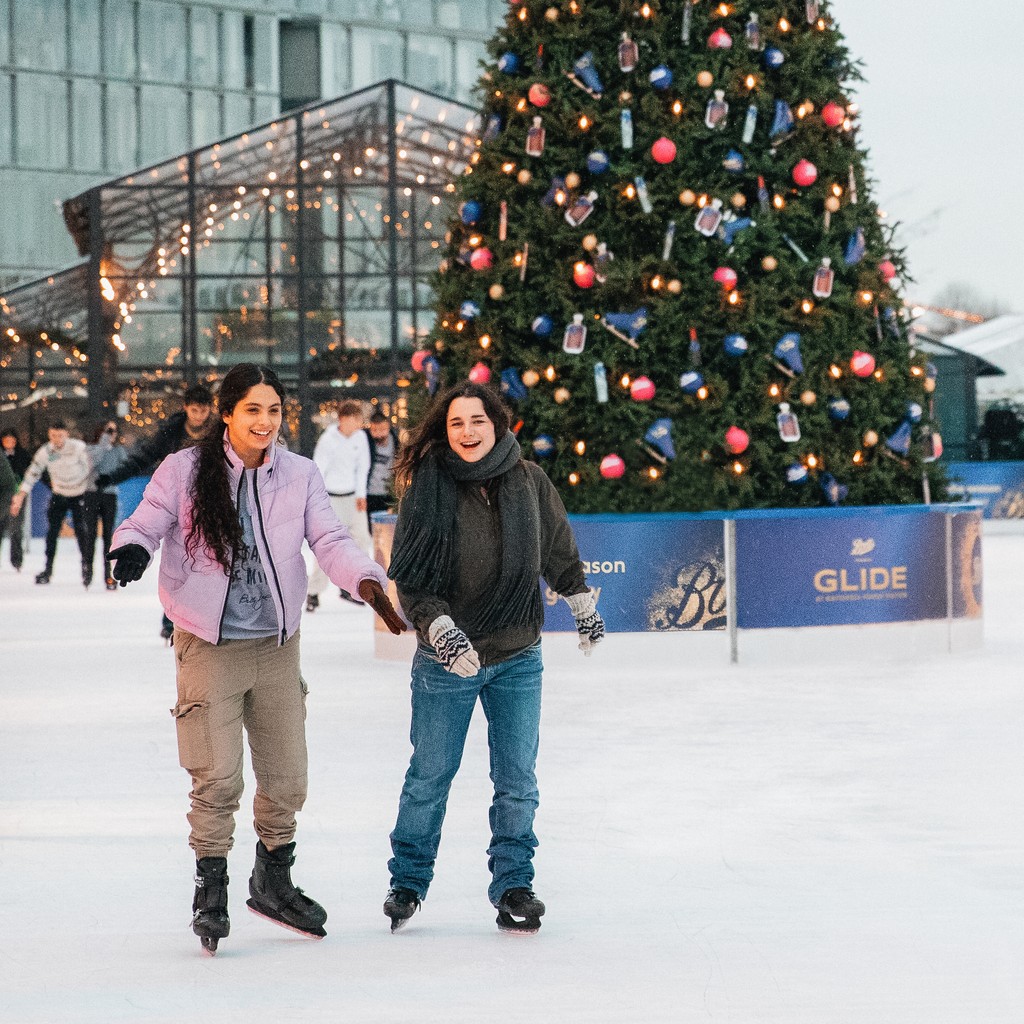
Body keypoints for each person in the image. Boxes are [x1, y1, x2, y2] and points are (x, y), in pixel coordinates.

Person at [107, 363, 405, 955]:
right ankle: (211, 889)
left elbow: (329, 540)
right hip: (208, 643)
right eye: (253, 410)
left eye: (274, 410)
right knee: (215, 775)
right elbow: (148, 517)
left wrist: (366, 582)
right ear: (227, 412)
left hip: (275, 644)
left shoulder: (298, 474)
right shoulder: (187, 469)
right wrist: (134, 547)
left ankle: (273, 878)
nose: (265, 422)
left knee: (288, 777)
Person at [382, 381, 605, 934]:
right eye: (456, 423)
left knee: (517, 778)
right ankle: (407, 881)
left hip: (517, 654)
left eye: (476, 421)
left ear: (497, 424)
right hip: (446, 660)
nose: (467, 432)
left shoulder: (528, 480)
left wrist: (577, 596)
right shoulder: (428, 488)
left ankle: (513, 885)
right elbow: (411, 577)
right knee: (430, 774)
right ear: (445, 429)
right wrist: (441, 631)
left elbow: (556, 545)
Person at [97, 383, 213, 636]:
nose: (199, 416)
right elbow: (143, 458)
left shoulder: (219, 431)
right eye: (195, 410)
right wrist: (112, 477)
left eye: (204, 410)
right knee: (180, 559)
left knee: (206, 560)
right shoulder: (171, 432)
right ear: (186, 408)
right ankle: (171, 619)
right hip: (177, 500)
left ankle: (205, 615)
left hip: (212, 499)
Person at [306, 399, 373, 610]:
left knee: (360, 543)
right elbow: (319, 470)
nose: (359, 424)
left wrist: (361, 495)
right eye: (356, 419)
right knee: (328, 546)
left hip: (353, 498)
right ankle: (313, 591)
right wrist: (318, 500)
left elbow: (363, 467)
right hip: (331, 498)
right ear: (344, 419)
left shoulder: (361, 437)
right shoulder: (328, 440)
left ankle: (352, 587)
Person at [9, 421, 93, 586]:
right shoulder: (45, 451)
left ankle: (87, 566)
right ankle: (48, 570)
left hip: (79, 493)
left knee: (82, 532)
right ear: (49, 435)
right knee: (52, 533)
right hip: (59, 493)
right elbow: (32, 473)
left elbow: (92, 467)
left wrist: (91, 489)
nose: (57, 439)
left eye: (60, 435)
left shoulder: (78, 447)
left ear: (67, 435)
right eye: (53, 435)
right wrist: (20, 495)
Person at [85, 420, 130, 590]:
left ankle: (108, 574)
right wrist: (103, 442)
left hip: (109, 495)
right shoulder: (91, 448)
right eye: (108, 430)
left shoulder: (118, 450)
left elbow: (125, 467)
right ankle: (87, 570)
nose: (111, 434)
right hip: (91, 494)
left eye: (114, 431)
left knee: (107, 537)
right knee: (90, 535)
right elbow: (92, 463)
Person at [1, 428, 31, 571]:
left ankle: (17, 560)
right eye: (6, 440)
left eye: (12, 440)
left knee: (16, 529)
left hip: (18, 496)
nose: (9, 443)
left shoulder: (22, 455)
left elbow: (30, 473)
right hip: (2, 496)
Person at [364, 410, 400, 533]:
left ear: (388, 427)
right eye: (374, 430)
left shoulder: (395, 440)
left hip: (388, 494)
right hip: (369, 494)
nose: (378, 434)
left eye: (382, 430)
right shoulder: (365, 441)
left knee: (387, 532)